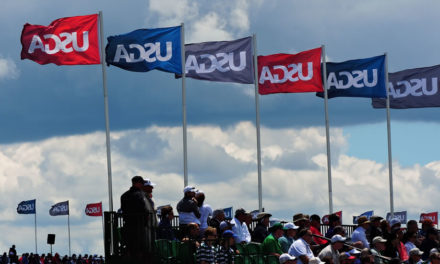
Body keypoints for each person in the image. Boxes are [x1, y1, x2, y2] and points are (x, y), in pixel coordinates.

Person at [120, 176, 152, 261]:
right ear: (138, 183)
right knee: (142, 250)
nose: (142, 185)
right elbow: (145, 209)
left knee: (130, 248)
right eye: (142, 183)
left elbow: (123, 208)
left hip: (128, 225)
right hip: (140, 226)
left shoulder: (124, 195)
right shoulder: (142, 195)